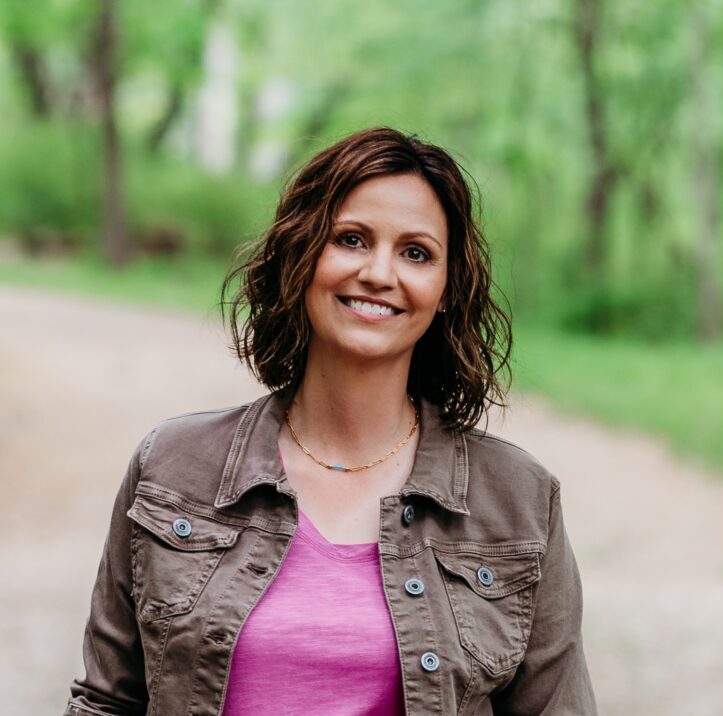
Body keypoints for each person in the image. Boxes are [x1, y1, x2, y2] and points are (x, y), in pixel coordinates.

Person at [64, 127, 597, 715]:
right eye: (351, 239)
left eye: (416, 252)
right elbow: (104, 701)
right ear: (302, 254)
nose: (379, 272)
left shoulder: (520, 502)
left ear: (446, 288)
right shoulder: (172, 468)